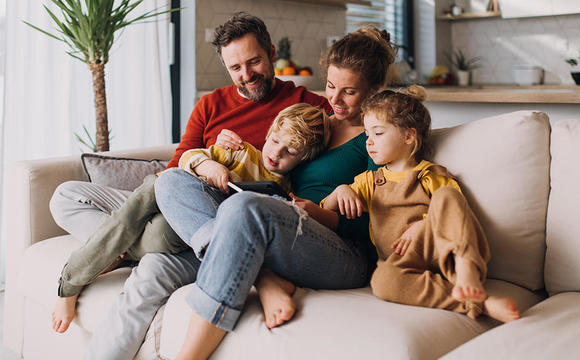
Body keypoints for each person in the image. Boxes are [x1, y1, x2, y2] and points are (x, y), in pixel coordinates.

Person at [48, 12, 330, 359]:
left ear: (271, 53)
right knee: (67, 196)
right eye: (235, 68)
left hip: (227, 228)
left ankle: (118, 247)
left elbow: (346, 142)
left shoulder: (308, 108)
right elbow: (173, 171)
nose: (246, 75)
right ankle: (121, 246)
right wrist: (208, 160)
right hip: (181, 202)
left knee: (147, 276)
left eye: (254, 61)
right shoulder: (211, 104)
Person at [153, 26, 396, 359]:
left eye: (349, 92)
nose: (334, 101)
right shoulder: (317, 120)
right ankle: (264, 277)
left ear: (374, 89)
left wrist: (322, 211)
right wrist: (224, 153)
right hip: (286, 226)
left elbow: (380, 224)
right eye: (329, 87)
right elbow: (274, 160)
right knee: (170, 181)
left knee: (244, 207)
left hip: (344, 252)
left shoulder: (377, 137)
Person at [50, 103, 329, 334]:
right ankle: (82, 274)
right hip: (159, 191)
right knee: (70, 197)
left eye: (289, 152)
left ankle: (103, 257)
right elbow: (188, 157)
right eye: (275, 141)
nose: (276, 153)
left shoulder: (283, 194)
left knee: (158, 233)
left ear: (304, 158)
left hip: (180, 227)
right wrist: (210, 165)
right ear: (269, 133)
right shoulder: (241, 152)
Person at [322, 86, 521, 323]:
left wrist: (424, 225)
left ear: (408, 136)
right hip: (403, 262)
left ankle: (467, 267)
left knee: (447, 194)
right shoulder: (369, 181)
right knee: (382, 281)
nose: (369, 142)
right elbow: (326, 208)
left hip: (442, 252)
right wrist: (340, 190)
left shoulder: (429, 174)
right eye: (367, 135)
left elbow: (457, 212)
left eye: (378, 133)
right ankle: (479, 303)